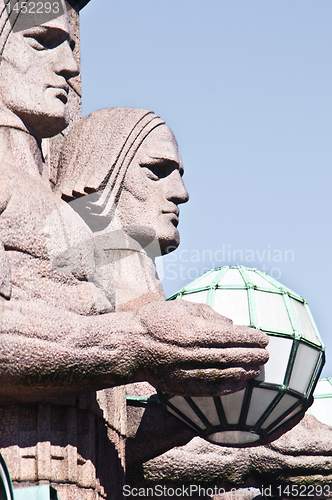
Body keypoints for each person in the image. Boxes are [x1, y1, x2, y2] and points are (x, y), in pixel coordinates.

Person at [0, 4, 269, 404]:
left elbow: (123, 412)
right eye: (42, 42)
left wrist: (236, 417)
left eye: (72, 46)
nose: (71, 68)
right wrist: (139, 341)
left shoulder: (79, 228)